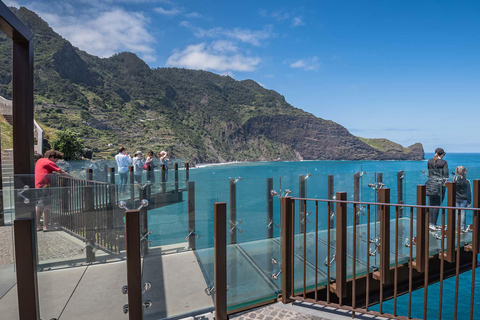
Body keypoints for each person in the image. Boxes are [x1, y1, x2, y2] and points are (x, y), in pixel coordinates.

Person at [35, 150, 70, 231]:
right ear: (51, 156)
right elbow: (62, 172)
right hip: (45, 186)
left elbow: (44, 171)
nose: (56, 161)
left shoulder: (40, 160)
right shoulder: (49, 162)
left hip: (37, 185)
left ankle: (38, 225)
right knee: (47, 206)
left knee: (39, 205)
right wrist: (73, 178)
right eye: (56, 159)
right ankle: (46, 226)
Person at [425, 147, 449, 231]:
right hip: (439, 185)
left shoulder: (429, 161)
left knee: (431, 204)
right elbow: (446, 175)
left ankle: (429, 223)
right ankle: (433, 224)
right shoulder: (444, 162)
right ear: (442, 154)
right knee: (436, 205)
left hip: (430, 184)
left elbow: (429, 172)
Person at [453, 166, 471, 233]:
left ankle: (456, 227)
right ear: (464, 172)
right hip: (464, 199)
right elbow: (468, 192)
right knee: (463, 213)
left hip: (456, 198)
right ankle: (462, 228)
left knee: (456, 213)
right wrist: (469, 201)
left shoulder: (455, 180)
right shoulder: (467, 181)